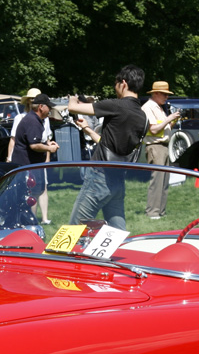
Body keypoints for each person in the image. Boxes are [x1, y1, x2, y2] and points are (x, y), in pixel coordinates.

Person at [66, 64, 148, 230]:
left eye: (115, 83)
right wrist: (87, 128)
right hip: (118, 180)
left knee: (74, 229)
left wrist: (72, 99)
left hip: (99, 177)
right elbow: (109, 146)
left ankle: (63, 256)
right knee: (117, 231)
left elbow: (72, 108)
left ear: (123, 83)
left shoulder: (116, 105)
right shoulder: (143, 117)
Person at [10, 94, 59, 224]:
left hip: (27, 165)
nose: (50, 110)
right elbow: (34, 145)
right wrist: (50, 149)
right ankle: (25, 224)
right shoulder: (33, 121)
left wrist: (48, 144)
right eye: (49, 107)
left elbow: (37, 142)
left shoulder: (34, 119)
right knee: (27, 196)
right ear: (41, 107)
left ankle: (28, 222)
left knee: (30, 195)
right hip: (26, 166)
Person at [142, 80, 181, 220]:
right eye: (164, 94)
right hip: (155, 147)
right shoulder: (148, 107)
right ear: (156, 93)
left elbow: (164, 128)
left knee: (164, 181)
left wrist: (173, 120)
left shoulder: (158, 107)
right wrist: (169, 118)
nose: (166, 97)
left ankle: (161, 212)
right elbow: (153, 129)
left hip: (164, 147)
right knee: (157, 180)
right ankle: (152, 212)